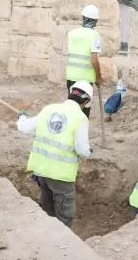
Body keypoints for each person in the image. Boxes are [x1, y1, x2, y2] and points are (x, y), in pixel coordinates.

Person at [16, 81, 93, 229]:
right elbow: (83, 150)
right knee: (65, 214)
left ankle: (47, 237)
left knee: (47, 210)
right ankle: (62, 245)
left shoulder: (49, 109)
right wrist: (88, 151)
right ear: (86, 101)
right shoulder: (80, 118)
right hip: (61, 175)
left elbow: (25, 127)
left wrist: (22, 118)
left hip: (41, 172)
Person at [66, 4, 102, 118]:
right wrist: (99, 77)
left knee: (72, 108)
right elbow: (94, 60)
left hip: (71, 77)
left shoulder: (72, 33)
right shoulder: (94, 35)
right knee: (83, 112)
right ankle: (81, 134)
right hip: (85, 80)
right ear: (95, 20)